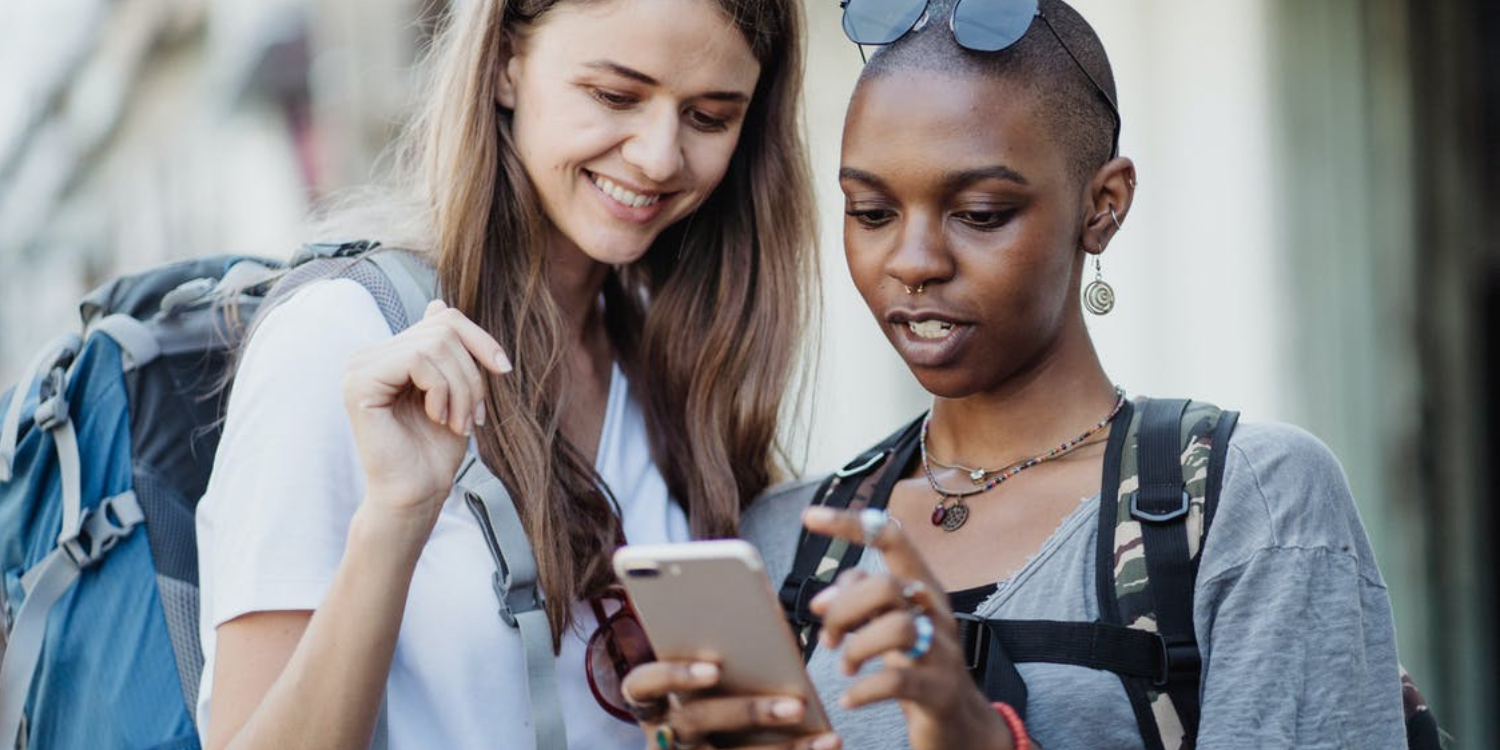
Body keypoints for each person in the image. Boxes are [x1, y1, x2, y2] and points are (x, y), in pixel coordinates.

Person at [620, 0, 1407, 748]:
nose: (913, 262)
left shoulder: (1246, 503)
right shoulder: (787, 546)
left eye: (982, 212)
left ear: (1103, 205)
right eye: (872, 213)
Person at [193, 0, 815, 748]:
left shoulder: (679, 360)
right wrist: (395, 521)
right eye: (615, 96)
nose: (658, 156)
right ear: (505, 64)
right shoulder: (342, 341)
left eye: (710, 117)